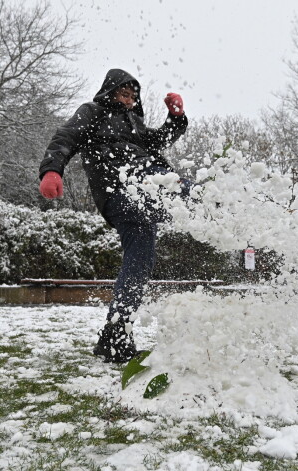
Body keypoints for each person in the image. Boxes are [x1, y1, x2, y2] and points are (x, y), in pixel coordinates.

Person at [38, 68, 188, 363]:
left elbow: (159, 140)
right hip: (120, 188)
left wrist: (176, 118)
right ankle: (219, 206)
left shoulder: (135, 122)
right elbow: (65, 137)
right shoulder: (93, 112)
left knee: (139, 265)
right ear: (110, 90)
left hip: (142, 198)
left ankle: (116, 336)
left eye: (133, 95)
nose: (130, 99)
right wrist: (52, 169)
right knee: (181, 188)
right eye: (124, 92)